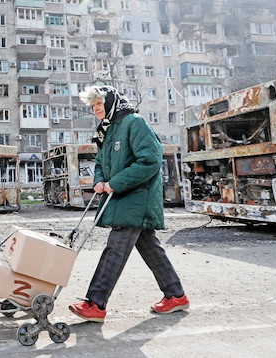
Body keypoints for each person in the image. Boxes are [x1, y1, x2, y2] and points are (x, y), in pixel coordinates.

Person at [69, 85, 189, 323]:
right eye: (92, 106)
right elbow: (101, 161)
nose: (95, 110)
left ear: (112, 101)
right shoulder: (107, 129)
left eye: (99, 105)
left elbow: (150, 161)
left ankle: (96, 303)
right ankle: (176, 295)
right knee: (149, 247)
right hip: (123, 198)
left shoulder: (135, 123)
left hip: (137, 198)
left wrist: (115, 183)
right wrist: (100, 181)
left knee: (115, 247)